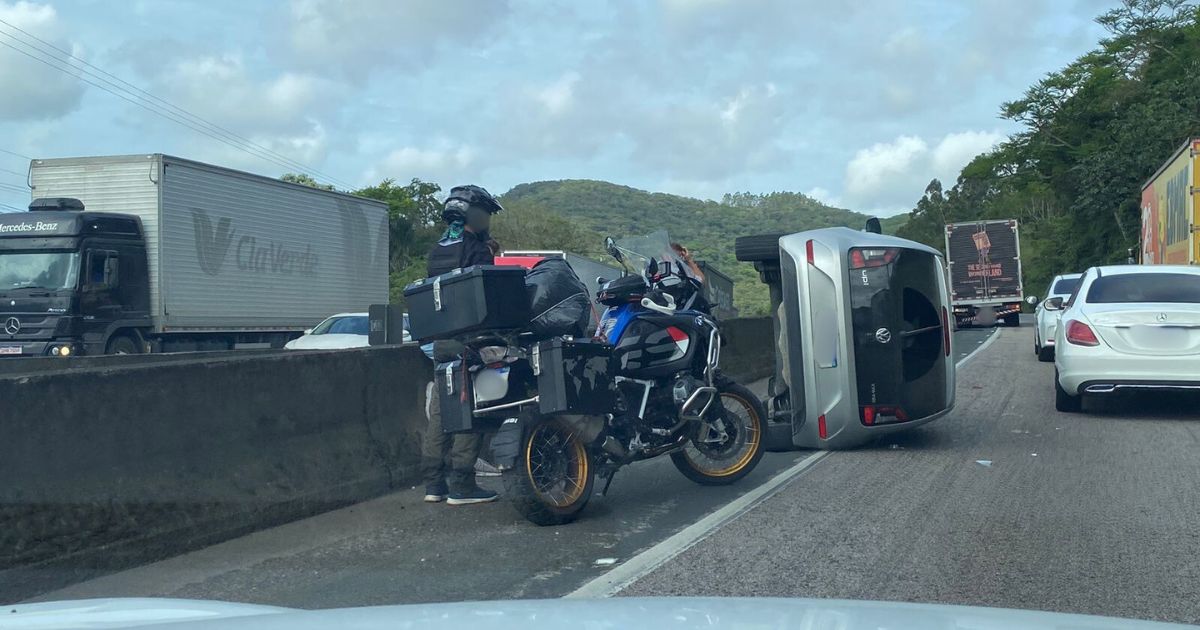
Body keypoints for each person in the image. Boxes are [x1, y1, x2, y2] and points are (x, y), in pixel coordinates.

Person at [421, 185, 504, 505]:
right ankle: (462, 485)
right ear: (477, 215)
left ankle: (434, 484)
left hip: (441, 341)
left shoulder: (439, 248)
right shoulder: (478, 250)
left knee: (441, 413)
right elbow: (487, 298)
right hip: (469, 341)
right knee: (470, 410)